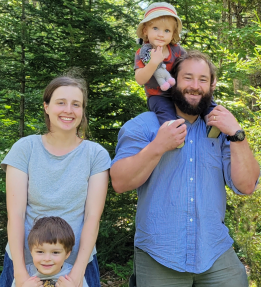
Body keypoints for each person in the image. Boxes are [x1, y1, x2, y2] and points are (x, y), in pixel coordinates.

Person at [110, 50, 260, 287]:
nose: (195, 86)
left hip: (215, 251)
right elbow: (119, 182)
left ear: (212, 85)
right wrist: (158, 147)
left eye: (203, 80)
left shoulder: (222, 130)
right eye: (187, 78)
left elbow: (246, 186)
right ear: (173, 81)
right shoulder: (143, 125)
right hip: (159, 253)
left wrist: (237, 135)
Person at [0, 76, 111, 287]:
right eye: (61, 102)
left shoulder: (96, 154)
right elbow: (15, 215)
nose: (68, 110)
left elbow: (92, 217)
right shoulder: (24, 149)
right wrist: (21, 274)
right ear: (46, 107)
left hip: (78, 262)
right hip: (26, 262)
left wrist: (77, 274)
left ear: (82, 111)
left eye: (76, 104)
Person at [135, 2, 220, 138]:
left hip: (177, 90)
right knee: (165, 112)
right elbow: (140, 79)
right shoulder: (143, 53)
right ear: (145, 30)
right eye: (155, 28)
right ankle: (175, 135)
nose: (161, 34)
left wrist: (209, 78)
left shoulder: (177, 50)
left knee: (205, 98)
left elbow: (193, 66)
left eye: (167, 30)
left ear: (173, 33)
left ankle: (213, 121)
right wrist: (153, 63)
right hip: (158, 96)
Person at [12, 216, 88, 287]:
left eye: (55, 252)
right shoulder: (24, 275)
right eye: (40, 252)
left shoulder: (73, 276)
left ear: (67, 254)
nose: (47, 259)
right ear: (31, 251)